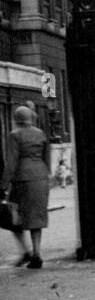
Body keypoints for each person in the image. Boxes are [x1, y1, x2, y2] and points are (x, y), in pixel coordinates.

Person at [2, 105, 51, 268]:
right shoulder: (40, 133)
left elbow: (11, 162)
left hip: (22, 180)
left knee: (14, 219)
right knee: (36, 217)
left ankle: (25, 251)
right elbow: (47, 156)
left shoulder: (14, 135)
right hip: (40, 177)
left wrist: (3, 185)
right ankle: (37, 253)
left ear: (16, 119)